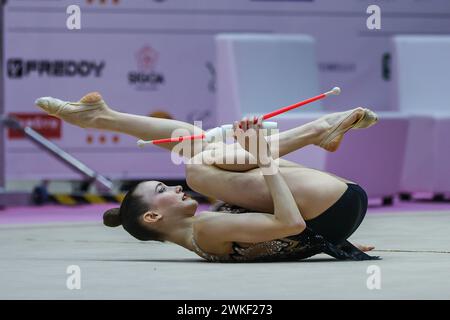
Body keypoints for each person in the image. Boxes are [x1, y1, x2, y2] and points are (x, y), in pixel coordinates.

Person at [35, 92, 380, 262]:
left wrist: (336, 239)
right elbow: (289, 224)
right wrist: (264, 158)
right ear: (153, 216)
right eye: (162, 190)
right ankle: (318, 129)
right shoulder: (205, 230)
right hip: (334, 207)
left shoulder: (204, 230)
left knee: (198, 152)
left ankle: (103, 117)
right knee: (198, 168)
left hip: (338, 206)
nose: (173, 187)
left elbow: (290, 237)